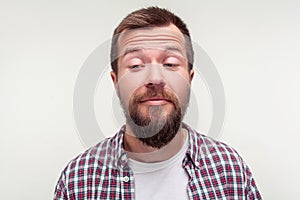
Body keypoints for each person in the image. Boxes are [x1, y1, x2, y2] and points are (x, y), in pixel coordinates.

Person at [54, 6, 262, 199]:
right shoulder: (76, 181)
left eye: (170, 63)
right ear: (115, 81)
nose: (155, 78)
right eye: (135, 65)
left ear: (189, 78)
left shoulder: (230, 170)